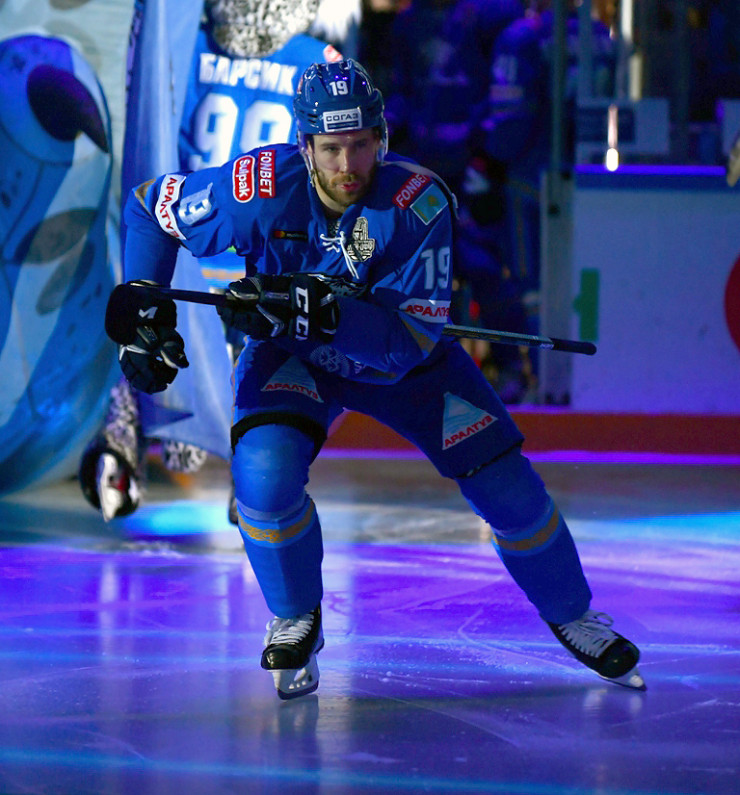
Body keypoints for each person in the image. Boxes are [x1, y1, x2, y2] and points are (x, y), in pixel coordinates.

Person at [105, 58, 645, 699]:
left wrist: (326, 314)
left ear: (381, 137)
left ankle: (573, 614)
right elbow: (149, 209)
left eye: (361, 145)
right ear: (304, 145)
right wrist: (144, 308)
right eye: (331, 148)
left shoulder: (419, 203)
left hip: (408, 366)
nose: (348, 166)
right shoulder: (255, 186)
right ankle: (296, 616)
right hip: (294, 358)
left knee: (510, 492)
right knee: (263, 477)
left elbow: (405, 345)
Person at [80, 0, 343, 522]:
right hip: (266, 248)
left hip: (193, 233)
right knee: (269, 369)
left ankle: (126, 445)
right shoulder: (318, 61)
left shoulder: (186, 44)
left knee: (149, 334)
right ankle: (252, 476)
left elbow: (155, 137)